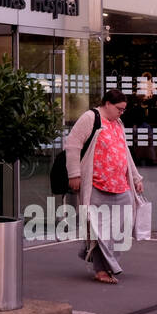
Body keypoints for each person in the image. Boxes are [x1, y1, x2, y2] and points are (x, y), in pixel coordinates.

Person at [63, 89, 145, 284]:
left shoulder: (118, 123)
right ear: (107, 103)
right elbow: (73, 145)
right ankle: (103, 269)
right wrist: (74, 174)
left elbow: (125, 153)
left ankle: (106, 262)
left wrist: (135, 177)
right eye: (119, 108)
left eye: (123, 110)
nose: (121, 113)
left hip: (120, 184)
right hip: (97, 184)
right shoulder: (90, 117)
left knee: (122, 227)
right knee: (100, 229)